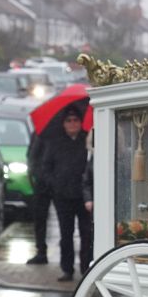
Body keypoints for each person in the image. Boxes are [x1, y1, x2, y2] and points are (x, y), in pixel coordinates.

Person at [43, 106, 91, 281]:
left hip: (83, 196)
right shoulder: (56, 142)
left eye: (75, 120)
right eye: (69, 121)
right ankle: (67, 269)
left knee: (86, 233)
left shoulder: (87, 140)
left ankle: (86, 267)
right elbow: (46, 167)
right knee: (66, 234)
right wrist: (54, 184)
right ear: (63, 123)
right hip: (63, 196)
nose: (72, 124)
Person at [25, 132, 52, 265]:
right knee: (40, 218)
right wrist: (34, 174)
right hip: (42, 182)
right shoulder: (38, 132)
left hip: (59, 182)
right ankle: (41, 251)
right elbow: (31, 155)